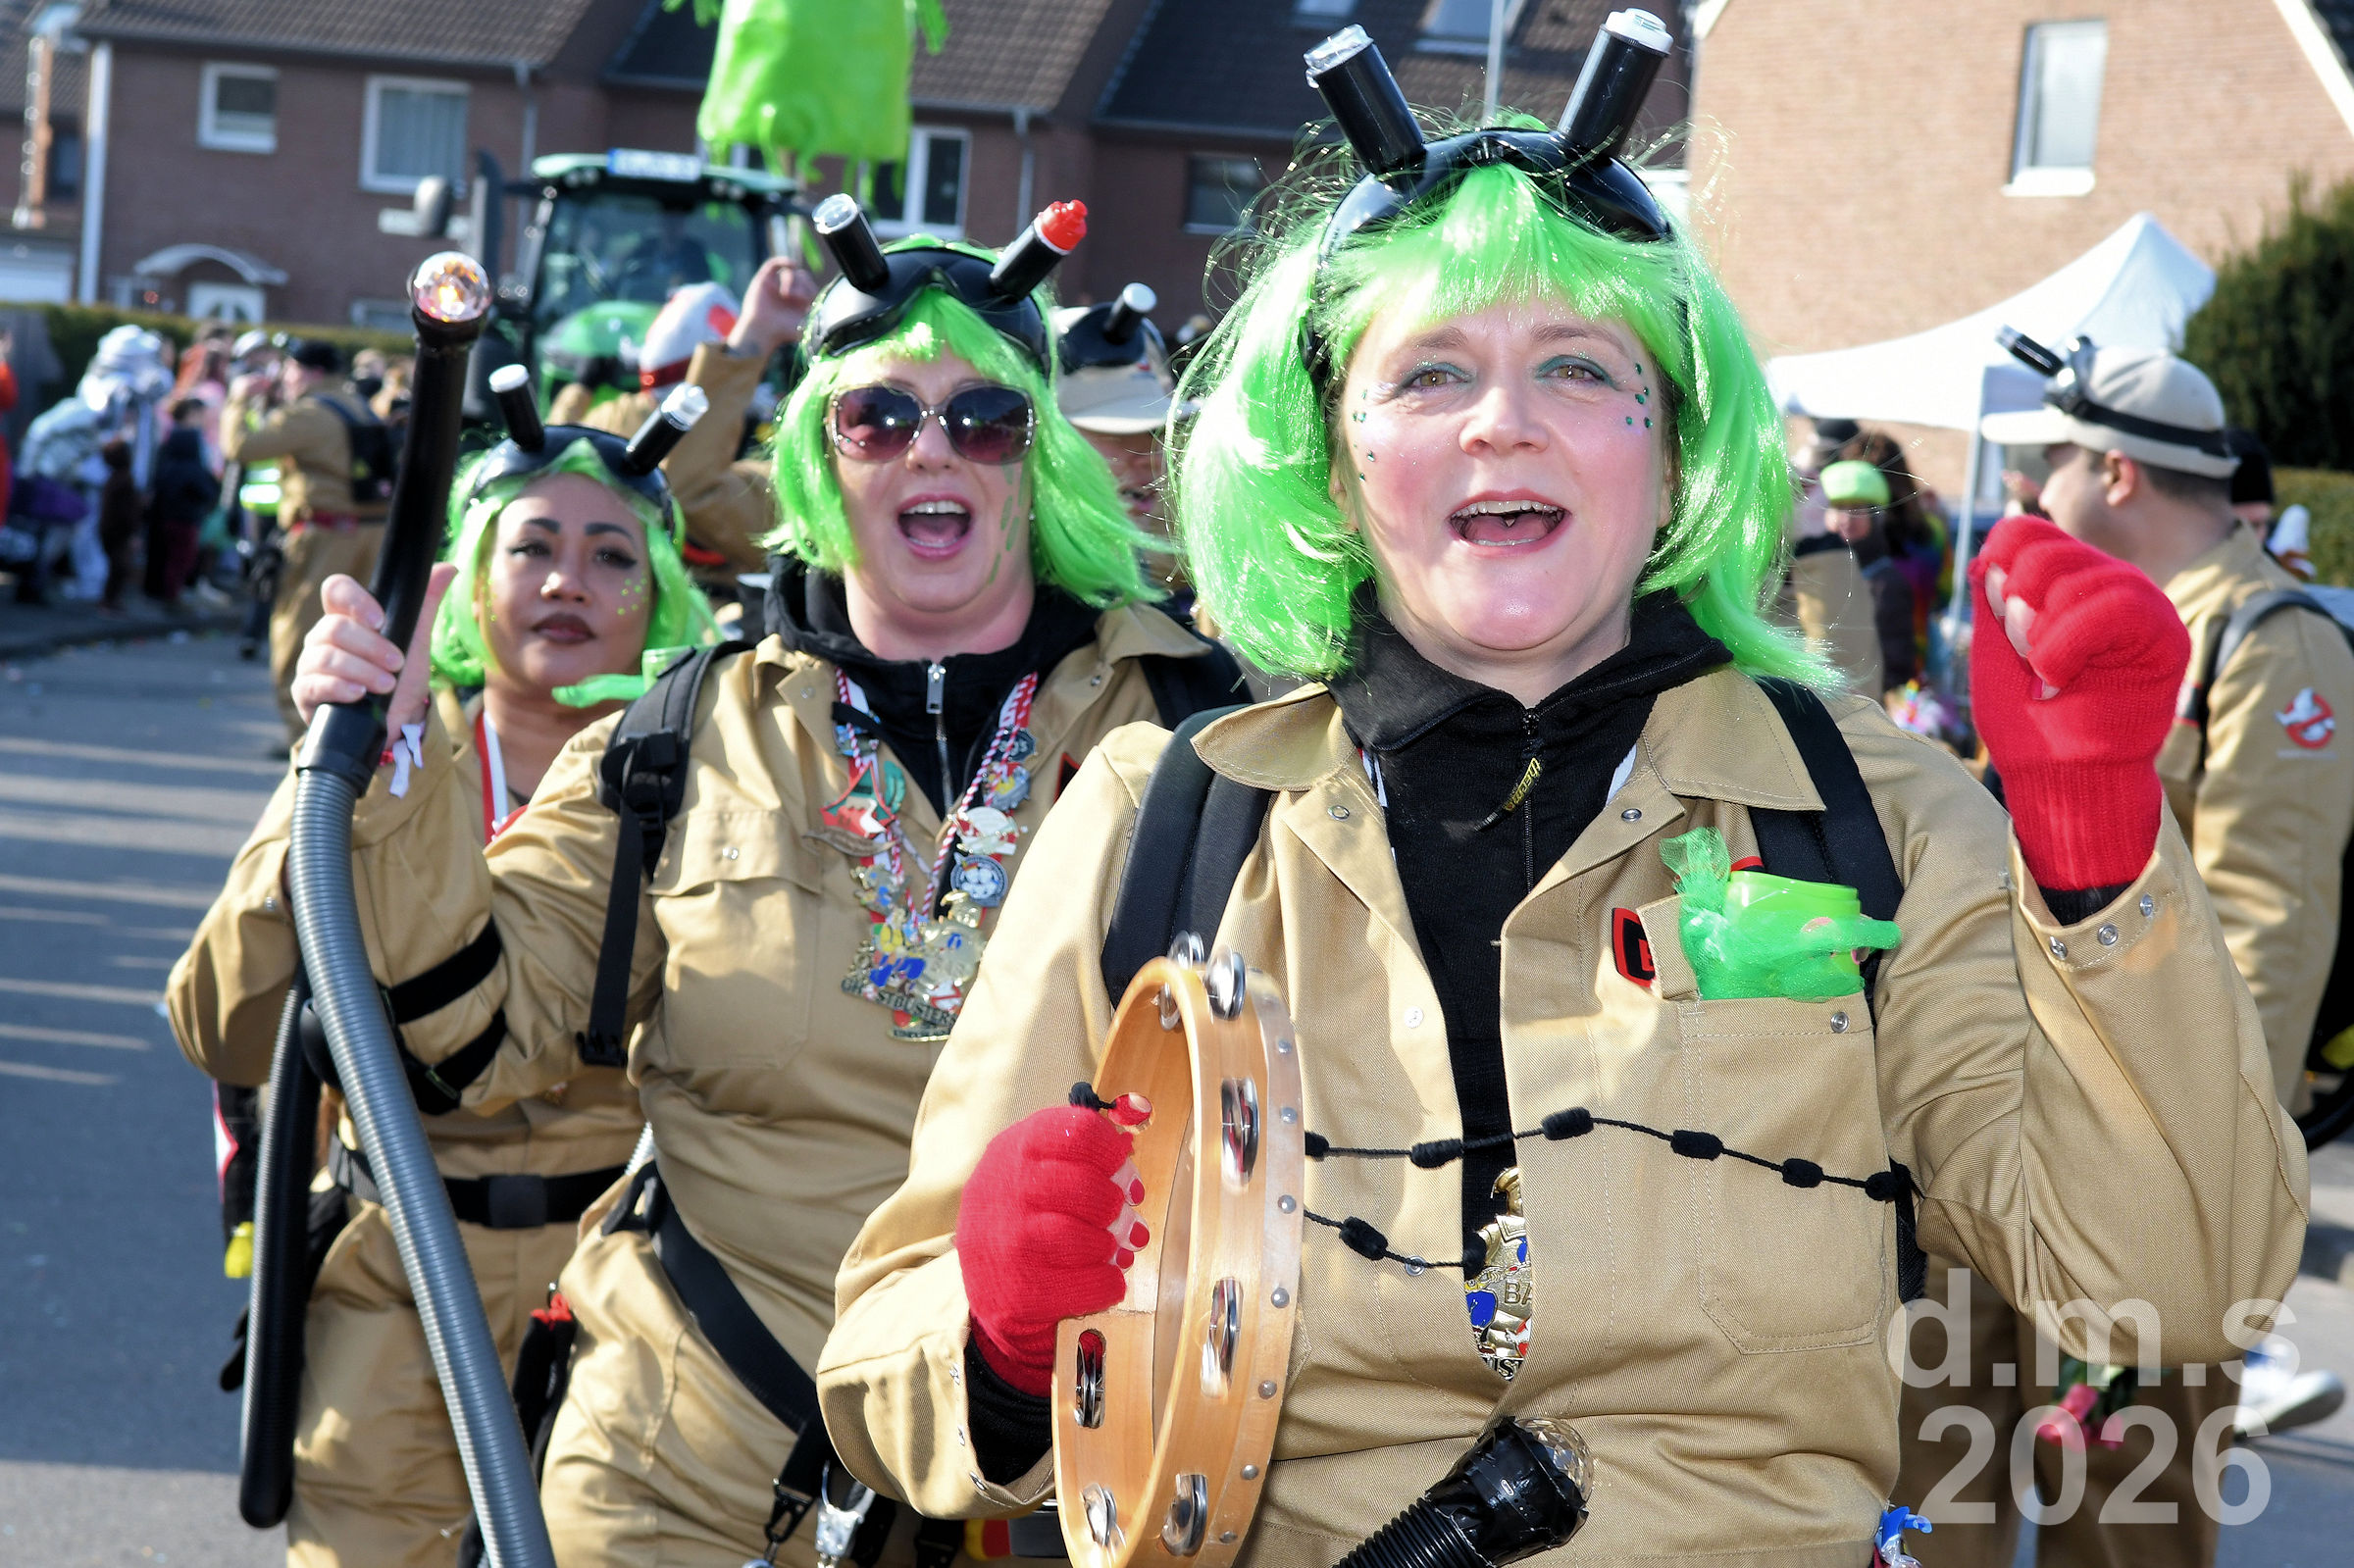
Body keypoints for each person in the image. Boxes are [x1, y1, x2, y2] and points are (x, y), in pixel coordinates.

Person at [814, 83, 2306, 1567]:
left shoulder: (1876, 815)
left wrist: (2101, 859)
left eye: (1581, 368)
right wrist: (1002, 1340)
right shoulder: (1164, 821)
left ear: (1678, 455)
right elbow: (884, 1383)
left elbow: (2171, 1288)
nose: (1504, 424)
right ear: (1330, 461)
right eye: (1429, 375)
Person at [281, 200, 1239, 1565]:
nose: (931, 448)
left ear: (1040, 459)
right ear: (818, 458)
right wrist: (395, 765)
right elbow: (469, 1038)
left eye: (984, 418)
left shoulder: (1205, 731)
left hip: (1066, 1462)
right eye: (877, 416)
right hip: (687, 1457)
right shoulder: (677, 735)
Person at [169, 410, 720, 1568]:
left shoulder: (710, 782)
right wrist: (343, 762)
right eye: (532, 547)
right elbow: (225, 1025)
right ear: (468, 582)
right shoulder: (379, 747)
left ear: (664, 597)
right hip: (397, 1280)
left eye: (612, 555)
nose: (567, 581)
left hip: (630, 1290)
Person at [1890, 346, 2353, 1568]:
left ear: (2115, 470)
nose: (2030, 488)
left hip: (2150, 1153)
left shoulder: (2267, 638)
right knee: (1934, 1498)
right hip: (1997, 1132)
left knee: (2121, 1526)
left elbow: (2270, 930)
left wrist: (2191, 1197)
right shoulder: (2072, 619)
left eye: (2050, 461)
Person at [223, 338, 392, 742]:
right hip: (374, 532)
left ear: (310, 372)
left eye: (290, 369)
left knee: (296, 631)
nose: (285, 377)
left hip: (325, 536)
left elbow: (241, 447)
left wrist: (238, 401)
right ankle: (350, 729)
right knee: (361, 635)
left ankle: (301, 732)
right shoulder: (359, 404)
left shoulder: (309, 413)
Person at [1820, 457, 1916, 691]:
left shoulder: (1888, 583)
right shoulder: (1810, 572)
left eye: (1857, 508)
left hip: (1864, 699)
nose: (1846, 519)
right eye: (1838, 507)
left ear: (1876, 516)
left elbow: (1897, 664)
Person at [145, 398, 221, 609]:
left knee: (169, 557)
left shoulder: (168, 465)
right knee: (182, 559)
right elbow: (205, 491)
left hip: (168, 517)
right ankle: (173, 597)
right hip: (187, 519)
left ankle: (167, 593)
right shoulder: (191, 468)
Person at [95, 437, 141, 612]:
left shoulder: (113, 479)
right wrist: (132, 532)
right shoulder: (124, 480)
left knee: (117, 567)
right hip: (119, 531)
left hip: (110, 529)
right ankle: (109, 602)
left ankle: (110, 601)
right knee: (119, 567)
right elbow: (126, 511)